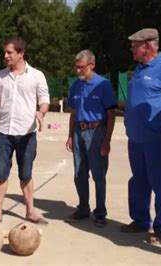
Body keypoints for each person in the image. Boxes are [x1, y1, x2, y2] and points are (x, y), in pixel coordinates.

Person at [0, 37, 50, 224]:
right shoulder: (0, 76)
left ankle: (30, 211)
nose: (5, 56)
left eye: (9, 52)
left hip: (26, 134)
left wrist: (41, 113)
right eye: (5, 52)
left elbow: (44, 100)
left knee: (26, 174)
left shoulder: (37, 75)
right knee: (0, 174)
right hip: (4, 133)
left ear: (21, 54)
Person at [122, 28, 161, 244]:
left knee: (159, 182)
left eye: (134, 44)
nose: (131, 48)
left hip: (155, 139)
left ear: (148, 46)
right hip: (136, 138)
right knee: (138, 180)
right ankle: (140, 220)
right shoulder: (139, 68)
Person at [64, 50, 117, 227]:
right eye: (76, 67)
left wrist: (106, 140)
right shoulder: (76, 86)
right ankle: (83, 208)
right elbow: (73, 113)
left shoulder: (103, 85)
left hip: (96, 132)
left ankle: (100, 212)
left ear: (91, 65)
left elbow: (111, 114)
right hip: (79, 132)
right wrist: (70, 135)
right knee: (79, 173)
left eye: (81, 68)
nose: (78, 71)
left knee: (98, 174)